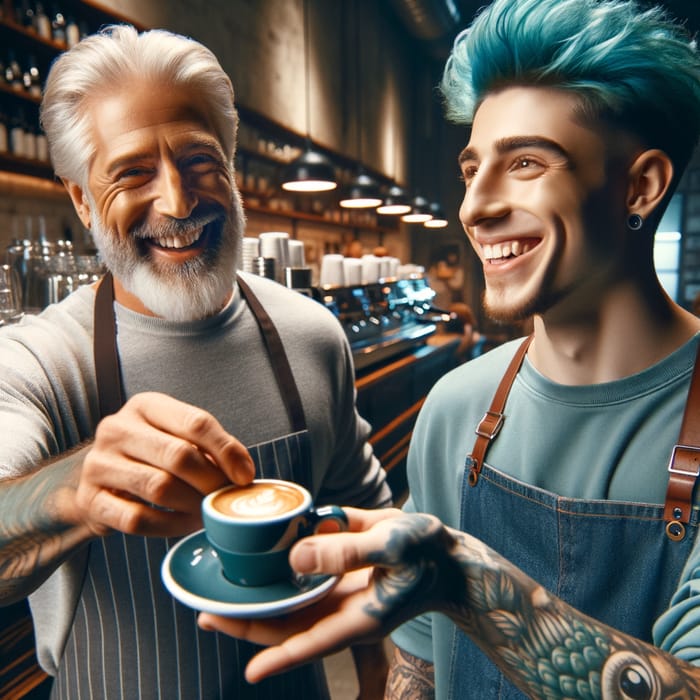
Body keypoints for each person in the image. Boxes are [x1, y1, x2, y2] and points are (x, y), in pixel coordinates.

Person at [198, 0, 700, 697]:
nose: (475, 206)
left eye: (525, 162)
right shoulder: (457, 408)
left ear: (640, 186)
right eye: (471, 168)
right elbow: (420, 668)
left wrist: (469, 584)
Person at [0, 25, 392, 699]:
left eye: (200, 161)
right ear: (81, 199)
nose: (178, 203)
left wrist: (387, 682)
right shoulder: (38, 362)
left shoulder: (311, 334)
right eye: (132, 172)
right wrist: (79, 485)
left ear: (232, 166)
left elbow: (371, 548)